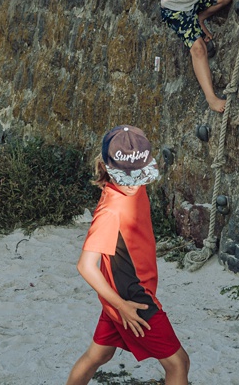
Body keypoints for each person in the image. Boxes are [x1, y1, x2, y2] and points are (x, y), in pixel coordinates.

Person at [67, 126, 190, 385]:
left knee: (97, 355)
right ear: (108, 168)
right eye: (127, 177)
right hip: (133, 300)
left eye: (139, 175)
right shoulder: (110, 211)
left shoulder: (133, 185)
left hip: (118, 294)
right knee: (178, 363)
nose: (134, 184)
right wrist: (121, 306)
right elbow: (86, 266)